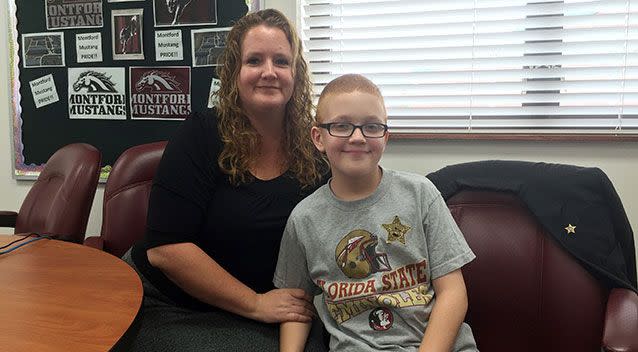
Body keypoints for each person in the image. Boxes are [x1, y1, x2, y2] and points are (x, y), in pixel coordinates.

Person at [121, 9, 327, 351]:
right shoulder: (200, 134)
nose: (268, 72)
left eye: (281, 61)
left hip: (267, 308)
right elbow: (166, 251)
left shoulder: (315, 150)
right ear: (234, 73)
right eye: (254, 60)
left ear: (296, 73)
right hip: (170, 302)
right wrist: (255, 304)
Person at [274, 74, 479, 351]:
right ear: (318, 137)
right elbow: (295, 305)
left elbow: (453, 293)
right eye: (342, 126)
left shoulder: (421, 195)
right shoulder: (304, 219)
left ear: (385, 136)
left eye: (371, 126)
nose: (357, 137)